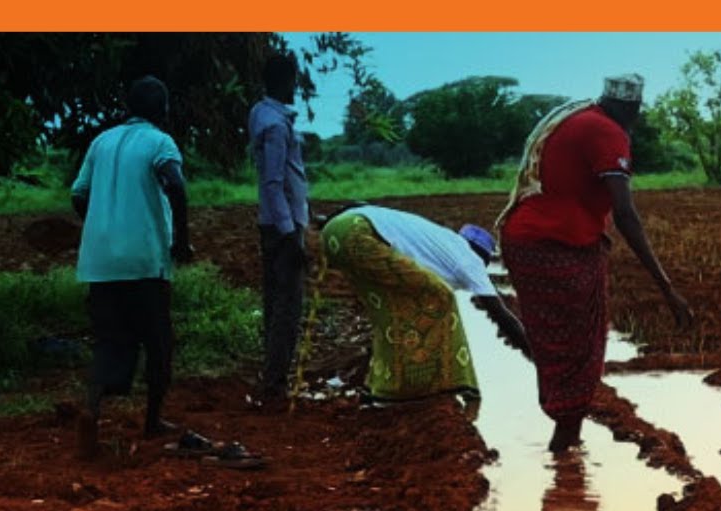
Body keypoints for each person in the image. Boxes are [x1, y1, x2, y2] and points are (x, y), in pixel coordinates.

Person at [497, 73, 694, 453]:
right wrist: (667, 289)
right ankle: (564, 446)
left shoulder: (581, 116)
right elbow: (624, 212)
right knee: (580, 345)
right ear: (632, 108)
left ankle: (564, 449)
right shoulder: (606, 131)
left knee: (558, 343)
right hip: (552, 244)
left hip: (530, 240)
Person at [71, 75, 193, 458]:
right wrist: (181, 239)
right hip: (143, 258)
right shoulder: (160, 142)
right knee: (158, 340)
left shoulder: (101, 141)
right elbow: (176, 184)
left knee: (110, 338)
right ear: (162, 110)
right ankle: (153, 420)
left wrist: (101, 226)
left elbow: (78, 194)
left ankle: (92, 405)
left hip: (99, 259)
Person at [318, 203, 530, 403]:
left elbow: (359, 206)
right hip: (359, 235)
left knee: (395, 310)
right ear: (483, 257)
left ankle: (377, 383)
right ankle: (439, 383)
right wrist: (535, 355)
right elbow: (501, 316)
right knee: (442, 297)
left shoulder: (442, 242)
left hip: (336, 232)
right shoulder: (470, 260)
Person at [248, 53, 309, 403]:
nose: (296, 87)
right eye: (294, 80)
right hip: (281, 228)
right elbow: (273, 182)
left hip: (276, 222)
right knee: (287, 305)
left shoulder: (263, 114)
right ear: (286, 80)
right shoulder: (274, 124)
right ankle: (274, 384)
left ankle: (271, 377)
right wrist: (290, 234)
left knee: (276, 302)